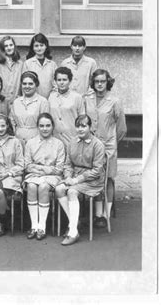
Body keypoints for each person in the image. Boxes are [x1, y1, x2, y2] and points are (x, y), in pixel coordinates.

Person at [85, 69, 126, 228]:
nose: (100, 84)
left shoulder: (115, 101)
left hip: (108, 146)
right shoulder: (87, 99)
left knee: (108, 178)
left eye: (102, 81)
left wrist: (112, 142)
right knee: (95, 177)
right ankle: (97, 215)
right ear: (93, 83)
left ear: (107, 82)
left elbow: (122, 129)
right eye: (97, 81)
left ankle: (106, 214)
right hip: (91, 146)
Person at [55, 114, 106, 245]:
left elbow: (97, 171)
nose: (80, 129)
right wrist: (67, 177)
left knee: (72, 192)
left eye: (84, 126)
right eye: (78, 126)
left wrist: (76, 180)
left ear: (90, 127)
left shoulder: (98, 145)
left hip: (93, 180)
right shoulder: (72, 142)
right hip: (74, 177)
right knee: (59, 189)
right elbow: (68, 164)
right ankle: (74, 220)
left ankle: (73, 232)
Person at [24, 113, 65, 240]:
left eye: (48, 125)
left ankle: (42, 226)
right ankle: (34, 225)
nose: (45, 128)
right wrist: (40, 170)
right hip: (33, 174)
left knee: (42, 187)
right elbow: (27, 165)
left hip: (52, 176)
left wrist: (42, 170)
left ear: (52, 126)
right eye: (41, 126)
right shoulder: (30, 143)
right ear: (37, 127)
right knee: (31, 186)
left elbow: (59, 169)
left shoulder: (59, 144)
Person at [48, 67, 85, 147]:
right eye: (59, 80)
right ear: (55, 81)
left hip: (72, 138)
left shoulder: (77, 97)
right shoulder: (51, 97)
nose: (62, 83)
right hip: (55, 140)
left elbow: (82, 119)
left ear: (70, 81)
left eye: (64, 80)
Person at [10, 71, 50, 144]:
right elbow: (12, 122)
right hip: (18, 140)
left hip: (36, 140)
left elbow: (45, 124)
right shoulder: (16, 102)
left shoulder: (42, 102)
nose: (27, 86)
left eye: (30, 84)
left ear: (36, 85)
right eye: (24, 84)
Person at [0, 35, 24, 104]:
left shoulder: (20, 64)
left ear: (14, 46)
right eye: (6, 46)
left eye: (11, 45)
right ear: (3, 48)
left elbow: (22, 82)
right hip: (1, 101)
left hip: (16, 101)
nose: (9, 48)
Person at [23, 33, 57, 99]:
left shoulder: (52, 64)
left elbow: (56, 85)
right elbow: (24, 85)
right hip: (32, 100)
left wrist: (52, 98)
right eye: (36, 46)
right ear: (32, 47)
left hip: (50, 100)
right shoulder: (27, 64)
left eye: (41, 45)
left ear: (46, 46)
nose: (39, 48)